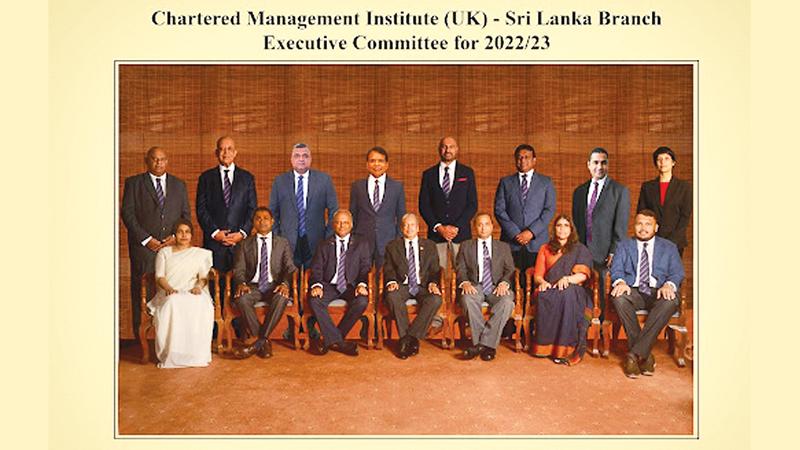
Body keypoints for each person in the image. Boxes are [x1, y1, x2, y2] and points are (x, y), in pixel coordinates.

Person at [121, 146, 191, 339]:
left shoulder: (179, 185)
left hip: (172, 249)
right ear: (147, 160)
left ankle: (169, 338)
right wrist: (146, 239)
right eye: (154, 159)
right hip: (144, 249)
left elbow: (186, 216)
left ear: (167, 161)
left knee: (171, 291)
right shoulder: (134, 183)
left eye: (162, 159)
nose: (159, 163)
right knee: (142, 291)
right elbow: (128, 214)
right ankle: (141, 340)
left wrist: (175, 238)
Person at [609, 210, 685, 378]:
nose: (643, 228)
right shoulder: (623, 245)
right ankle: (645, 355)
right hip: (633, 290)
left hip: (658, 291)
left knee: (670, 301)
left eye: (648, 224)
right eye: (639, 224)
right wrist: (620, 282)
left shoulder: (669, 247)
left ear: (655, 227)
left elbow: (677, 272)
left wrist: (668, 284)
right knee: (618, 297)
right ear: (634, 226)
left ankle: (634, 355)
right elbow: (616, 270)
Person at [195, 136, 257, 309]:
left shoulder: (247, 178)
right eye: (222, 149)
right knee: (215, 288)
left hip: (240, 244)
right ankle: (215, 330)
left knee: (240, 285)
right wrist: (215, 233)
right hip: (215, 243)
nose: (226, 153)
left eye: (229, 149)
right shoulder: (206, 178)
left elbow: (252, 209)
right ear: (216, 153)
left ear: (235, 152)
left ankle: (239, 331)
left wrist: (242, 234)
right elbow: (201, 210)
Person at [146, 218, 214, 368]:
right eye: (180, 232)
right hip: (169, 291)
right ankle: (173, 353)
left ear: (192, 235)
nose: (184, 235)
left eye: (187, 232)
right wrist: (168, 288)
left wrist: (199, 287)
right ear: (174, 234)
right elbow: (159, 276)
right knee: (173, 302)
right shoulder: (164, 252)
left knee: (201, 303)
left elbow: (203, 277)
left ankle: (196, 354)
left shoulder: (199, 254)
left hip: (192, 290)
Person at [232, 207, 297, 359]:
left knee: (282, 297)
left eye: (266, 218)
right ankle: (263, 342)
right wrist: (241, 283)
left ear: (272, 221)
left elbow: (290, 268)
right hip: (253, 286)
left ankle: (257, 343)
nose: (262, 221)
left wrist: (285, 284)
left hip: (274, 286)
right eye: (258, 218)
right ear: (253, 222)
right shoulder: (244, 244)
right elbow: (239, 269)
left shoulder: (282, 243)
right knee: (242, 298)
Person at [571, 147, 630, 312]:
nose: (599, 166)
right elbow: (576, 222)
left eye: (604, 163)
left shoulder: (619, 191)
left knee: (602, 291)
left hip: (605, 255)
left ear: (608, 165)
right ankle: (581, 327)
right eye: (596, 162)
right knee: (578, 290)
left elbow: (621, 226)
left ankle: (603, 329)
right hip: (582, 251)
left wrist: (613, 251)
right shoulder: (579, 192)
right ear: (588, 165)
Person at [308, 210, 372, 356]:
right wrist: (317, 285)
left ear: (351, 225)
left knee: (362, 301)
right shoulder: (324, 245)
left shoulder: (361, 244)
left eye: (345, 222)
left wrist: (362, 284)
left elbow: (365, 268)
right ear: (333, 224)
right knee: (314, 300)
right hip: (329, 285)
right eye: (338, 222)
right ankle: (339, 342)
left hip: (351, 286)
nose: (341, 225)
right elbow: (316, 269)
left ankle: (330, 340)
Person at [531, 214, 593, 365]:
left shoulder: (579, 249)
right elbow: (538, 275)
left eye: (566, 226)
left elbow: (583, 275)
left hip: (572, 288)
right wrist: (543, 282)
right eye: (559, 225)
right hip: (550, 287)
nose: (562, 229)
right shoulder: (545, 248)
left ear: (571, 229)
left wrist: (568, 279)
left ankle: (565, 350)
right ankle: (545, 348)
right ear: (554, 229)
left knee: (567, 294)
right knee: (543, 296)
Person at [455, 213, 516, 361]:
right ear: (475, 227)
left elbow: (510, 270)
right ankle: (488, 346)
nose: (483, 228)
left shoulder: (503, 247)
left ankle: (481, 345)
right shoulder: (466, 246)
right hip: (476, 286)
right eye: (480, 224)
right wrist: (465, 282)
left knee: (507, 302)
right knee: (468, 299)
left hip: (497, 287)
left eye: (486, 224)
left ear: (492, 227)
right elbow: (460, 269)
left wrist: (504, 282)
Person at [494, 143, 556, 286]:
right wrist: (516, 233)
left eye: (527, 157)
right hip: (511, 242)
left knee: (536, 283)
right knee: (510, 283)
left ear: (534, 160)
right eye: (519, 158)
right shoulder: (505, 182)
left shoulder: (546, 182)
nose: (523, 161)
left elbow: (549, 210)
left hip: (537, 242)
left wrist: (530, 232)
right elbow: (499, 210)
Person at [383, 213, 443, 359]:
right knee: (392, 296)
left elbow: (435, 270)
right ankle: (410, 341)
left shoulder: (429, 246)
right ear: (402, 228)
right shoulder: (392, 246)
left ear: (418, 228)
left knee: (435, 299)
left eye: (412, 225)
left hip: (423, 286)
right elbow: (388, 269)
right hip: (402, 285)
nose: (409, 228)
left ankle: (408, 339)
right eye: (406, 225)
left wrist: (434, 283)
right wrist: (391, 282)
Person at [269, 143, 338, 268]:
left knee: (313, 281)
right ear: (291, 159)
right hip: (287, 240)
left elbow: (334, 210)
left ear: (310, 159)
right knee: (289, 282)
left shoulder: (324, 180)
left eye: (305, 156)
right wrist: (277, 236)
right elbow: (272, 212)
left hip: (317, 240)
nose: (301, 159)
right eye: (297, 156)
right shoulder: (280, 181)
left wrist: (327, 236)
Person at [349, 146, 406, 267]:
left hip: (388, 242)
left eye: (380, 161)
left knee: (385, 281)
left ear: (386, 164)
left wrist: (397, 240)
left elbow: (401, 216)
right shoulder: (357, 186)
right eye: (372, 161)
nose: (376, 164)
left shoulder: (397, 187)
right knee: (362, 280)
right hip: (362, 241)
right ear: (367, 164)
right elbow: (353, 215)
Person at [418, 136, 478, 244]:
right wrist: (439, 227)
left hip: (461, 234)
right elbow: (424, 205)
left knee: (462, 261)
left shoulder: (467, 173)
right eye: (444, 147)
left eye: (451, 147)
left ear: (457, 149)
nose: (448, 150)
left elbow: (472, 204)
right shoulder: (428, 175)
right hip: (436, 236)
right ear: (439, 149)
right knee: (437, 261)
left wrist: (456, 227)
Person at [636, 146, 692, 256]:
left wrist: (671, 242)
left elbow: (685, 217)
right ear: (655, 163)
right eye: (659, 159)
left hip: (675, 242)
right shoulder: (647, 187)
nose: (663, 162)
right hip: (652, 241)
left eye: (666, 158)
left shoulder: (685, 187)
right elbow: (642, 213)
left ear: (673, 162)